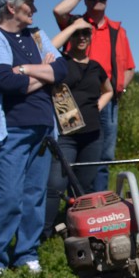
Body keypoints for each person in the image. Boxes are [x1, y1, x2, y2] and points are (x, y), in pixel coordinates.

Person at [0, 0, 67, 278]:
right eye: (29, 2)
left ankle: (27, 253)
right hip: (10, 130)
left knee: (34, 196)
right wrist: (44, 71)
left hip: (42, 127)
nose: (35, 8)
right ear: (11, 7)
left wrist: (27, 70)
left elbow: (63, 70)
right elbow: (6, 81)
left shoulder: (37, 36)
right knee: (9, 196)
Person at [53, 0, 135, 191]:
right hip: (73, 101)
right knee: (71, 157)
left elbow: (129, 67)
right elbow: (58, 11)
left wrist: (117, 90)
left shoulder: (117, 30)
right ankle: (73, 208)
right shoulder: (76, 25)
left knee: (103, 157)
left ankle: (98, 205)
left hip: (105, 100)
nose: (97, 0)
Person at [43, 16, 113, 239]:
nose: (82, 37)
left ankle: (75, 229)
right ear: (70, 36)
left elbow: (108, 90)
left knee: (83, 187)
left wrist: (97, 107)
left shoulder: (95, 67)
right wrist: (73, 25)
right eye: (77, 33)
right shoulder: (60, 62)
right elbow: (47, 46)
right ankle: (43, 234)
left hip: (93, 134)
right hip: (66, 135)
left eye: (86, 33)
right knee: (56, 184)